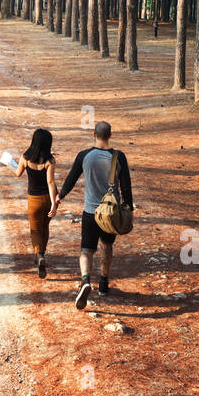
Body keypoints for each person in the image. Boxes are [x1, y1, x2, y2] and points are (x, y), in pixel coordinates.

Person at [57, 121, 132, 309]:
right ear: (110, 135)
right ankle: (104, 283)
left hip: (90, 212)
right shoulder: (118, 157)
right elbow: (126, 186)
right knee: (107, 246)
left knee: (86, 250)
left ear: (94, 134)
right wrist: (129, 209)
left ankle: (85, 280)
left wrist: (60, 196)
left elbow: (71, 178)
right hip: (111, 214)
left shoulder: (84, 156)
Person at [14, 128, 59, 278]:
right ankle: (42, 253)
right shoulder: (50, 161)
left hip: (33, 200)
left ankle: (39, 254)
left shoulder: (25, 157)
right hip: (47, 198)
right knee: (45, 226)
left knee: (35, 230)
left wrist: (10, 163)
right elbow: (51, 182)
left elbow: (17, 173)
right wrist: (54, 203)